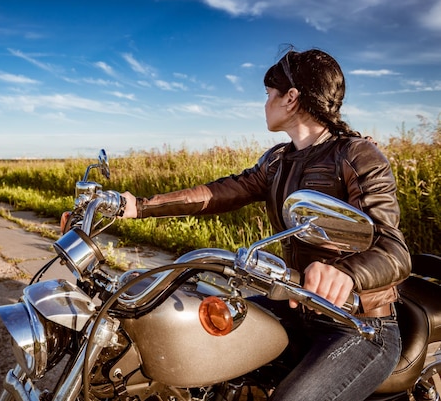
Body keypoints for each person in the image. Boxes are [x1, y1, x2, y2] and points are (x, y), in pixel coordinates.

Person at [119, 48, 411, 400]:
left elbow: (392, 249)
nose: (265, 103)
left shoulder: (357, 155)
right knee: (190, 338)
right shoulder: (278, 160)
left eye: (269, 93)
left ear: (291, 98)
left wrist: (347, 274)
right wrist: (139, 206)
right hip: (295, 307)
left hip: (358, 325)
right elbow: (220, 193)